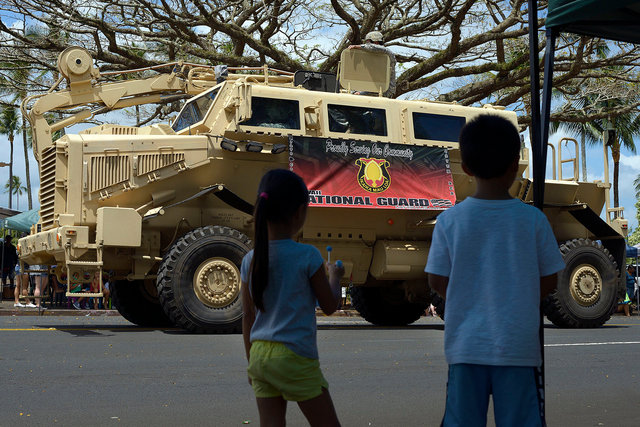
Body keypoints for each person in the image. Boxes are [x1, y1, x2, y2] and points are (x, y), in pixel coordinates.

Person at [425, 115, 565, 426]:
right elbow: (550, 279)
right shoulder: (533, 220)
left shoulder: (450, 220)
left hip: (465, 348)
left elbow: (436, 279)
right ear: (515, 164)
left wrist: (465, 295)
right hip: (517, 348)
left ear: (466, 167)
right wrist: (520, 295)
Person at [241, 169, 344, 426]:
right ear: (299, 213)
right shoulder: (307, 256)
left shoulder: (249, 260)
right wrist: (336, 277)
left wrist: (251, 361)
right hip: (294, 356)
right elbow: (330, 306)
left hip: (259, 356)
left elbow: (248, 315)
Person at [348, 31, 396, 97]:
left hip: (385, 92)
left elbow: (374, 48)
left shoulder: (388, 54)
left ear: (376, 42)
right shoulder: (368, 59)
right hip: (369, 92)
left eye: (368, 43)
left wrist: (357, 46)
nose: (366, 45)